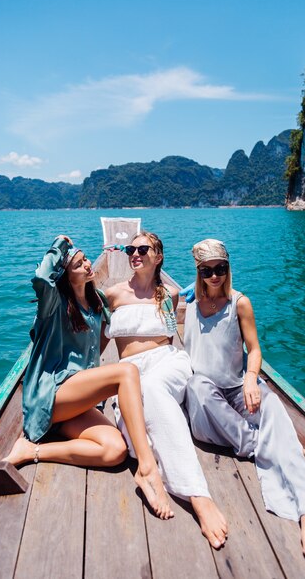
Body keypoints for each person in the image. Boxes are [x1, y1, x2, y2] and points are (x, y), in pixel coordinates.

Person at [4, 234, 173, 520]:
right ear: (66, 275)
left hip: (77, 403)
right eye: (79, 264)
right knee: (126, 371)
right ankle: (147, 468)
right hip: (53, 395)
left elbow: (127, 310)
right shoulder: (54, 304)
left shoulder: (97, 304)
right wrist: (59, 244)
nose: (86, 265)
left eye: (85, 260)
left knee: (115, 451)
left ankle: (30, 451)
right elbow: (42, 277)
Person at [183, 238, 305, 557]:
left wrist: (250, 377)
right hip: (206, 404)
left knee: (274, 407)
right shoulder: (189, 305)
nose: (215, 276)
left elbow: (255, 348)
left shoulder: (240, 303)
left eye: (221, 268)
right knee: (196, 386)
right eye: (207, 271)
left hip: (236, 390)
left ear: (228, 268)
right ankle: (260, 444)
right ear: (198, 272)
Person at [104, 231, 228, 549]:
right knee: (131, 443)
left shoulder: (168, 295)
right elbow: (99, 341)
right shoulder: (112, 294)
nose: (135, 253)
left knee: (155, 388)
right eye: (131, 248)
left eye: (142, 249)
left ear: (158, 256)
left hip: (167, 363)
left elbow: (173, 336)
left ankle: (197, 494)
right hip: (128, 372)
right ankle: (151, 467)